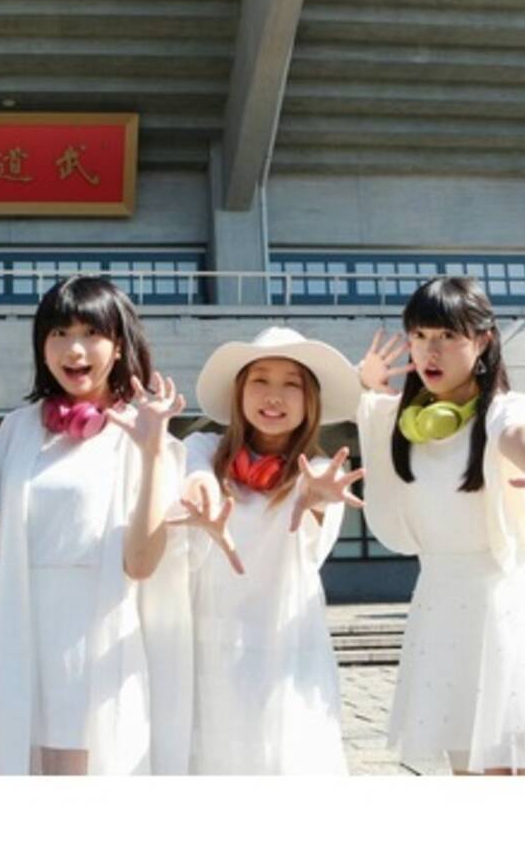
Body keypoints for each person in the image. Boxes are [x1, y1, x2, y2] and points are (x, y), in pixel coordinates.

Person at [357, 275, 525, 775]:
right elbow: (363, 405)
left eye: (447, 336)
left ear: (483, 341)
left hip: (515, 602)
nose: (430, 351)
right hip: (446, 607)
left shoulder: (503, 410)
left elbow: (518, 435)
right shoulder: (402, 422)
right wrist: (366, 382)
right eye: (419, 335)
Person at [0, 275, 191, 775]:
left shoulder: (143, 430)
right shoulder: (18, 429)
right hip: (22, 626)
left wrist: (152, 453)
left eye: (91, 333)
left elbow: (141, 564)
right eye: (59, 333)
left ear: (118, 345)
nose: (74, 350)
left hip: (95, 630)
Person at [176, 326, 363, 774]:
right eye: (260, 380)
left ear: (310, 400)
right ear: (239, 392)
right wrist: (204, 494)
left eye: (291, 384)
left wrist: (315, 500)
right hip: (210, 649)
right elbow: (196, 477)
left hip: (287, 650)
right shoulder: (202, 448)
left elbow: (313, 540)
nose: (274, 395)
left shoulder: (319, 472)